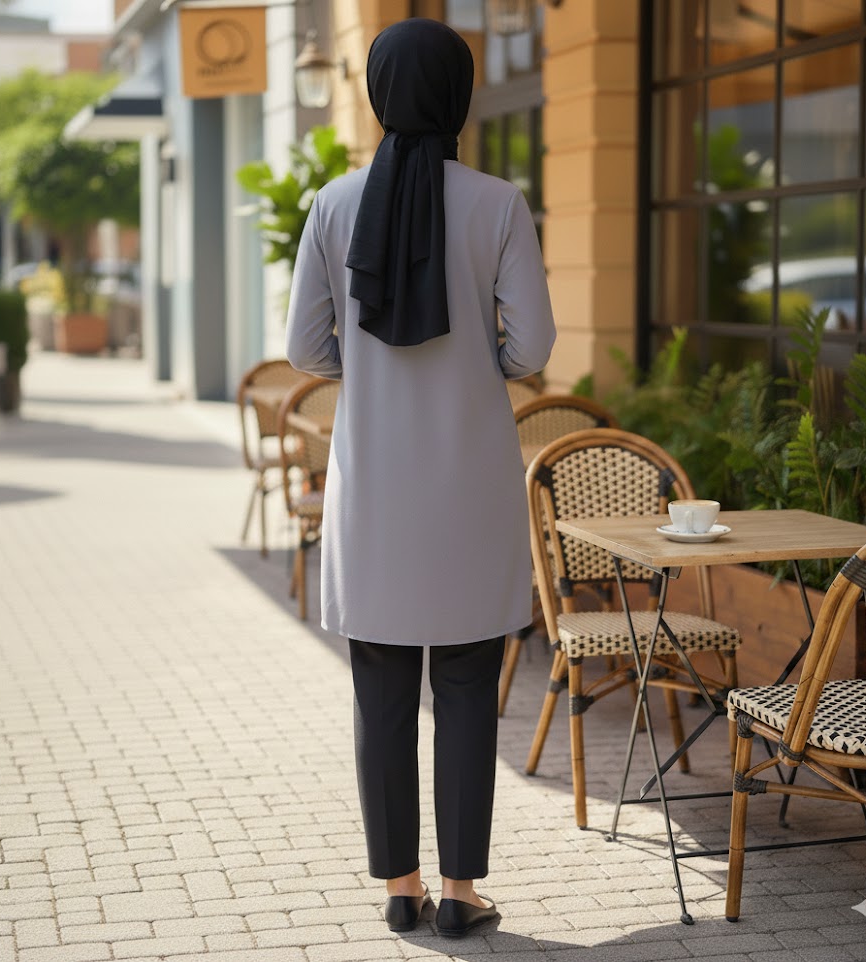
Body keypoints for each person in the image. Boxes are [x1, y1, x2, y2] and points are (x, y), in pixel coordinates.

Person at [285, 17, 555, 938]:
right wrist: (481, 358)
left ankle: (398, 886)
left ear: (376, 92)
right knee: (473, 688)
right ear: (462, 96)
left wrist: (368, 369)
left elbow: (304, 349)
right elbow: (537, 348)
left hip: (376, 491)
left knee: (383, 692)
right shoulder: (499, 203)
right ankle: (461, 894)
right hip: (470, 489)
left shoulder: (332, 203)